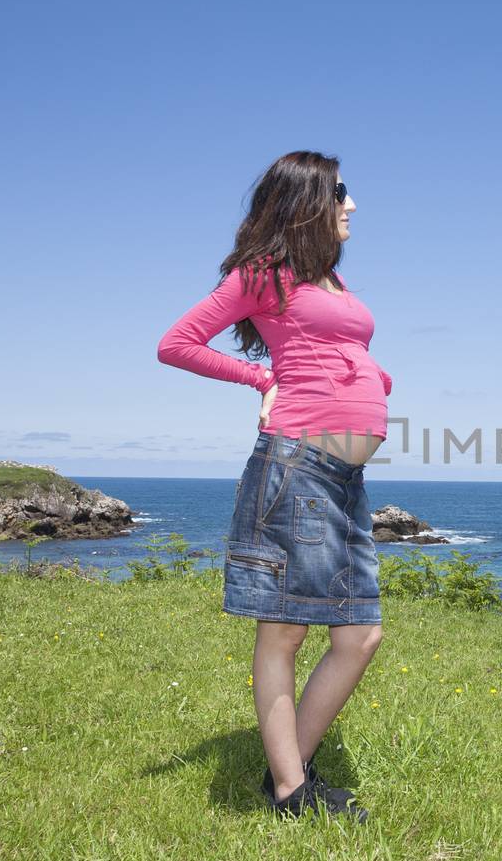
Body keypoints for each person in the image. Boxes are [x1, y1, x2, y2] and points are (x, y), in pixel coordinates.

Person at [155, 150, 390, 821]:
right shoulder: (267, 273)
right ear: (310, 198)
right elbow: (178, 343)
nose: (351, 204)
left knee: (359, 636)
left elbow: (337, 354)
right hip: (297, 468)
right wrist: (261, 379)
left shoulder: (333, 282)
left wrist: (375, 383)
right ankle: (292, 790)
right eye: (341, 191)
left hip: (342, 477)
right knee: (284, 633)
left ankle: (286, 771)